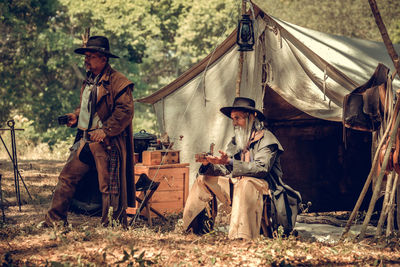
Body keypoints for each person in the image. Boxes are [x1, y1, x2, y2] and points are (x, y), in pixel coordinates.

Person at [44, 36, 135, 227]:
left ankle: (113, 225)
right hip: (85, 140)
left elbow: (125, 111)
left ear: (103, 58)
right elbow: (89, 108)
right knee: (67, 178)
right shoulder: (90, 80)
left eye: (91, 56)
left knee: (109, 187)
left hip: (106, 143)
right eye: (86, 56)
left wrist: (106, 130)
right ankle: (55, 221)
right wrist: (76, 116)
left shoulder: (119, 81)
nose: (86, 60)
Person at [182, 97, 286, 240]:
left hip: (265, 187)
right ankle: (193, 230)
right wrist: (210, 164)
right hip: (238, 185)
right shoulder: (236, 140)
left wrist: (230, 161)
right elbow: (226, 169)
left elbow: (262, 169)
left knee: (245, 183)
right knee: (203, 179)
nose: (234, 123)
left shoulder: (267, 139)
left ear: (251, 117)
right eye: (233, 119)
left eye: (238, 118)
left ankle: (241, 237)